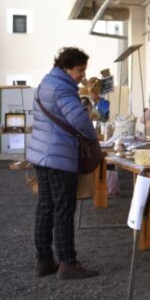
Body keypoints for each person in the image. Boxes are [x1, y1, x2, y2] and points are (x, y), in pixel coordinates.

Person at [26, 47, 99, 279]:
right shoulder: (63, 89)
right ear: (66, 68)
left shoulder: (46, 83)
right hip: (59, 156)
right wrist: (93, 138)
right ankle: (68, 262)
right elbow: (79, 120)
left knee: (45, 207)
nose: (82, 76)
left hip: (42, 154)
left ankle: (44, 260)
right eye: (80, 70)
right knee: (64, 209)